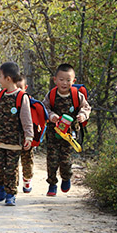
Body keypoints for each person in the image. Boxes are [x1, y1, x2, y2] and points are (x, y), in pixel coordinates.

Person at [0, 62, 33, 206]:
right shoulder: (0, 95)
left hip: (14, 142)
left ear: (8, 78)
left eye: (0, 76)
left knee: (11, 169)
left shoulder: (21, 97)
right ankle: (1, 187)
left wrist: (28, 136)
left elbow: (26, 118)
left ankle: (11, 194)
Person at [42, 64, 91, 196]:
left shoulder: (76, 95)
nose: (64, 83)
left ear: (73, 81)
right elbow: (44, 108)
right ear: (55, 80)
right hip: (53, 133)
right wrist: (51, 115)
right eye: (61, 79)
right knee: (52, 159)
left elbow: (86, 107)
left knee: (66, 159)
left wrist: (82, 115)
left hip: (69, 135)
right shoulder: (51, 95)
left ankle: (66, 177)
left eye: (68, 80)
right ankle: (52, 184)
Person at [16, 76, 35, 193]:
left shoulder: (30, 102)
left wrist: (32, 137)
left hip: (26, 138)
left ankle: (27, 179)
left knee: (27, 161)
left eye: (20, 88)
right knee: (12, 162)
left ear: (25, 88)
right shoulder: (8, 101)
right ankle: (13, 183)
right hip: (12, 137)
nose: (17, 91)